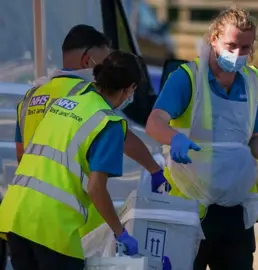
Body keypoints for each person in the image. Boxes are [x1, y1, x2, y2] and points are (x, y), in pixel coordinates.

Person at [145, 6, 258, 270]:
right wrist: (175, 139)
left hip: (234, 209)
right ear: (213, 39)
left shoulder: (253, 81)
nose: (238, 54)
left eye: (246, 48)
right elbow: (154, 122)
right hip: (190, 204)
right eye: (232, 45)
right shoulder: (187, 78)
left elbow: (252, 139)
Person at [13, 24, 167, 237]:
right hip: (71, 222)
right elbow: (121, 136)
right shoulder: (87, 94)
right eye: (105, 65)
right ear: (88, 61)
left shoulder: (31, 96)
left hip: (23, 214)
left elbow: (21, 156)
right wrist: (155, 170)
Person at [0, 51, 142, 270]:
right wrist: (120, 232)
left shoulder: (68, 102)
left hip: (16, 217)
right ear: (129, 88)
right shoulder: (108, 122)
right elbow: (96, 188)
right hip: (52, 228)